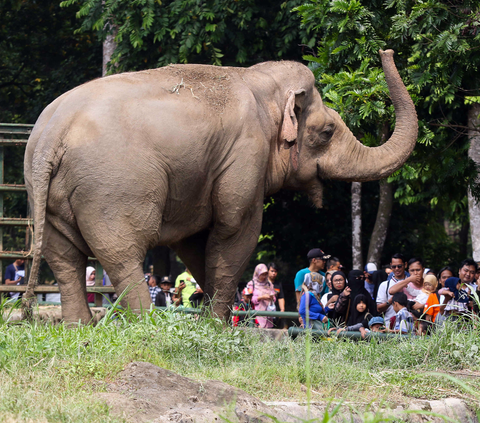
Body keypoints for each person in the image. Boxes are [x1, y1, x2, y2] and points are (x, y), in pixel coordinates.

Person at [377, 253, 408, 327]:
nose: (396, 268)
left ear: (405, 265)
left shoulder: (411, 283)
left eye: (399, 266)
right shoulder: (384, 285)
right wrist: (390, 301)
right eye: (394, 267)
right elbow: (379, 309)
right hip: (389, 325)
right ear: (391, 265)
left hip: (409, 326)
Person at [247, 264, 276, 328]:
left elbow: (274, 298)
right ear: (257, 273)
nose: (264, 276)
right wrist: (262, 297)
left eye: (265, 274)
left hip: (268, 315)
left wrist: (271, 297)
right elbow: (249, 299)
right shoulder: (252, 284)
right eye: (262, 274)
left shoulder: (269, 284)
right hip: (257, 315)